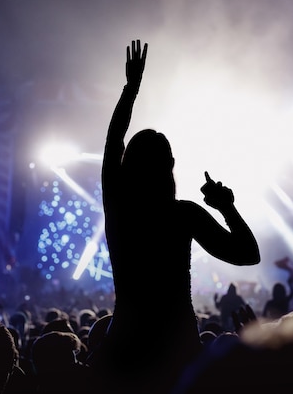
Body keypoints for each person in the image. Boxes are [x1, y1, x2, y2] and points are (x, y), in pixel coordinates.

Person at [88, 39, 260, 394]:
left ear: (127, 168)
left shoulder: (119, 209)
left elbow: (112, 142)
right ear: (169, 167)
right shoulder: (182, 214)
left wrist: (130, 90)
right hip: (177, 348)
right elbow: (247, 255)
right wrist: (226, 206)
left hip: (123, 347)